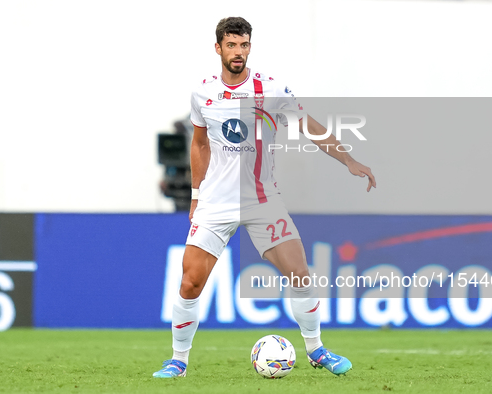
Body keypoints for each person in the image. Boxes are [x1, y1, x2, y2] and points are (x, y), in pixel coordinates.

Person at [153, 17, 376, 378]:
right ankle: (178, 360)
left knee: (300, 274)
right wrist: (196, 194)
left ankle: (317, 350)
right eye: (231, 45)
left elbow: (310, 127)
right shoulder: (202, 93)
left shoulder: (271, 90)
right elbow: (198, 143)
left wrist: (348, 159)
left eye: (243, 45)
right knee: (190, 281)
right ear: (218, 49)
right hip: (215, 203)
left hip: (262, 199)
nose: (238, 52)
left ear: (249, 48)